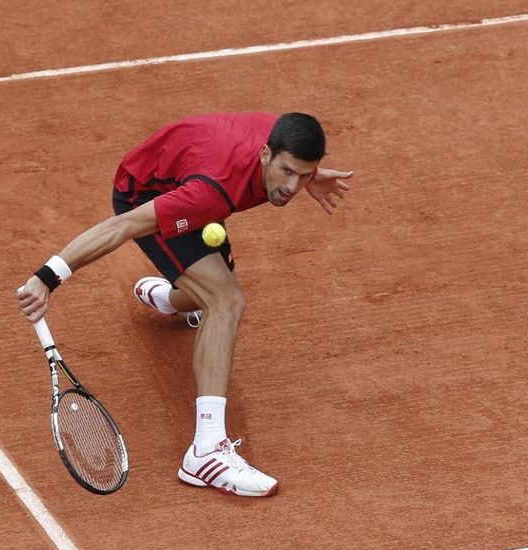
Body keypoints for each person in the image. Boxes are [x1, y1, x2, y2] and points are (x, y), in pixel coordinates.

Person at [18, 112, 352, 497]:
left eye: (304, 175)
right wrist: (47, 277)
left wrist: (312, 176)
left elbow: (284, 163)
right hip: (148, 193)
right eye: (288, 172)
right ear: (265, 154)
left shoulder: (281, 142)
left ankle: (168, 298)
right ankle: (205, 452)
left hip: (188, 175)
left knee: (214, 281)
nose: (293, 186)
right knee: (225, 301)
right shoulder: (211, 190)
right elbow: (120, 226)